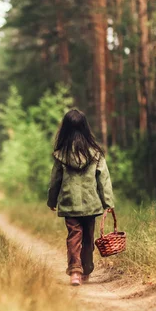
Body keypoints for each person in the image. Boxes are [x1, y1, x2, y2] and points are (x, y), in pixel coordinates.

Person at [47, 109, 114, 286]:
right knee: (87, 239)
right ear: (85, 128)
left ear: (65, 130)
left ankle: (75, 272)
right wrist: (108, 202)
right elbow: (104, 179)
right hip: (91, 204)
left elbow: (55, 181)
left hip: (70, 204)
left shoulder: (61, 155)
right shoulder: (96, 154)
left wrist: (52, 200)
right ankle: (86, 269)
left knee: (74, 236)